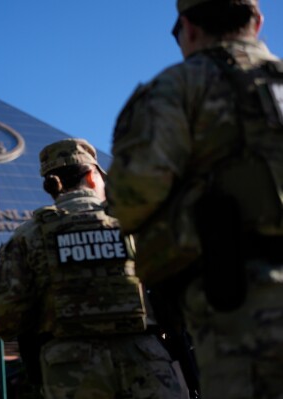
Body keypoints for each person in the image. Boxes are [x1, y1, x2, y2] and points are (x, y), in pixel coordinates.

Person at [107, 0, 283, 398]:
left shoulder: (178, 88)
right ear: (257, 22)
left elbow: (132, 196)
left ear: (187, 28)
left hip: (240, 305)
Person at [0, 138, 187, 399]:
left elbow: (6, 317)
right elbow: (176, 294)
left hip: (68, 368)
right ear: (92, 176)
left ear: (51, 186)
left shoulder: (27, 236)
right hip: (144, 359)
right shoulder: (134, 223)